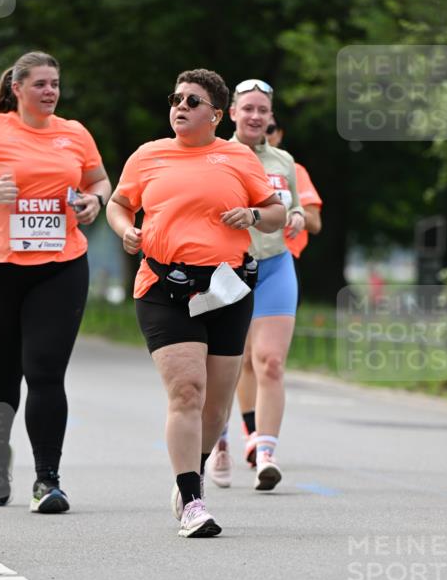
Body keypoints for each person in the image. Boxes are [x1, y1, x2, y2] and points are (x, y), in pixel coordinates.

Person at [106, 68, 284, 538]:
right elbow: (118, 203)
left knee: (216, 408)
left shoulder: (237, 157)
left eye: (192, 100)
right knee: (187, 391)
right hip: (164, 287)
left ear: (217, 115)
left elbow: (275, 213)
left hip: (226, 289)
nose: (180, 106)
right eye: (176, 98)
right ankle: (191, 499)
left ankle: (192, 473)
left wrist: (252, 213)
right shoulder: (148, 156)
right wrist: (127, 230)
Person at [0, 50, 111, 514]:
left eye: (55, 83)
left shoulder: (74, 133)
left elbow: (99, 182)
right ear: (17, 88)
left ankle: (47, 480)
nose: (50, 91)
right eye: (41, 84)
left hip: (61, 263)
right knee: (3, 373)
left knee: (46, 371)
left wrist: (93, 204)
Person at [206, 80, 305, 493]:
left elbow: (294, 206)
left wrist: (296, 216)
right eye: (247, 109)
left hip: (275, 267)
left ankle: (266, 452)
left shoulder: (282, 160)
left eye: (263, 110)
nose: (255, 116)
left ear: (270, 116)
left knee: (270, 362)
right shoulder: (215, 156)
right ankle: (220, 441)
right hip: (226, 270)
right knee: (225, 365)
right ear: (231, 113)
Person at [266, 116, 322, 305]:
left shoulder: (294, 169)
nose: (263, 133)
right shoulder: (235, 164)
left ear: (279, 134)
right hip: (240, 258)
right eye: (256, 126)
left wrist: (291, 213)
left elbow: (315, 223)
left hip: (281, 260)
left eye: (270, 128)